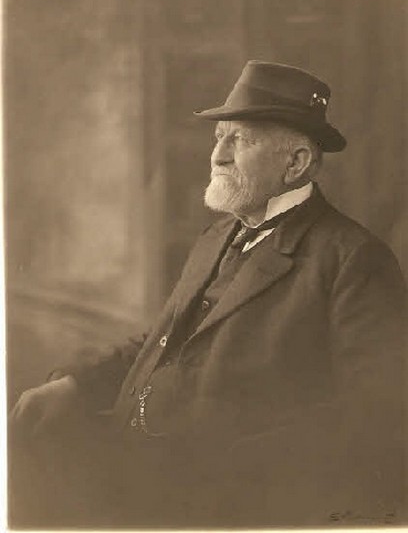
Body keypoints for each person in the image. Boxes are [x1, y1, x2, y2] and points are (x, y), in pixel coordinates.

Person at [10, 61, 406, 528]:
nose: (218, 155)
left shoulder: (352, 257)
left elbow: (377, 414)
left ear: (296, 163)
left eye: (240, 139)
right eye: (219, 137)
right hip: (135, 467)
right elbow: (165, 340)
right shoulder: (217, 236)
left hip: (233, 501)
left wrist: (221, 465)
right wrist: (77, 383)